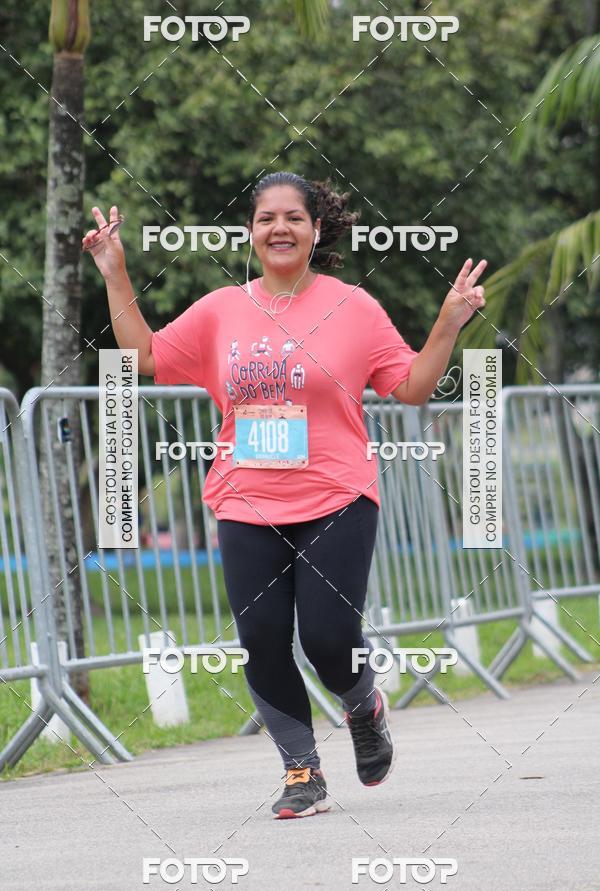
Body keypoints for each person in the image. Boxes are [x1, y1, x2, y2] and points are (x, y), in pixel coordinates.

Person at [84, 172, 486, 820]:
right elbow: (144, 356)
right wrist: (114, 270)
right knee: (264, 640)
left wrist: (447, 321)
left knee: (330, 640)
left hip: (337, 496)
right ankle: (301, 770)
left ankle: (363, 705)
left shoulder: (352, 306)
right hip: (245, 502)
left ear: (315, 229)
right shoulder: (220, 310)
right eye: (266, 217)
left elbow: (409, 386)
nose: (279, 228)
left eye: (293, 217)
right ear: (252, 232)